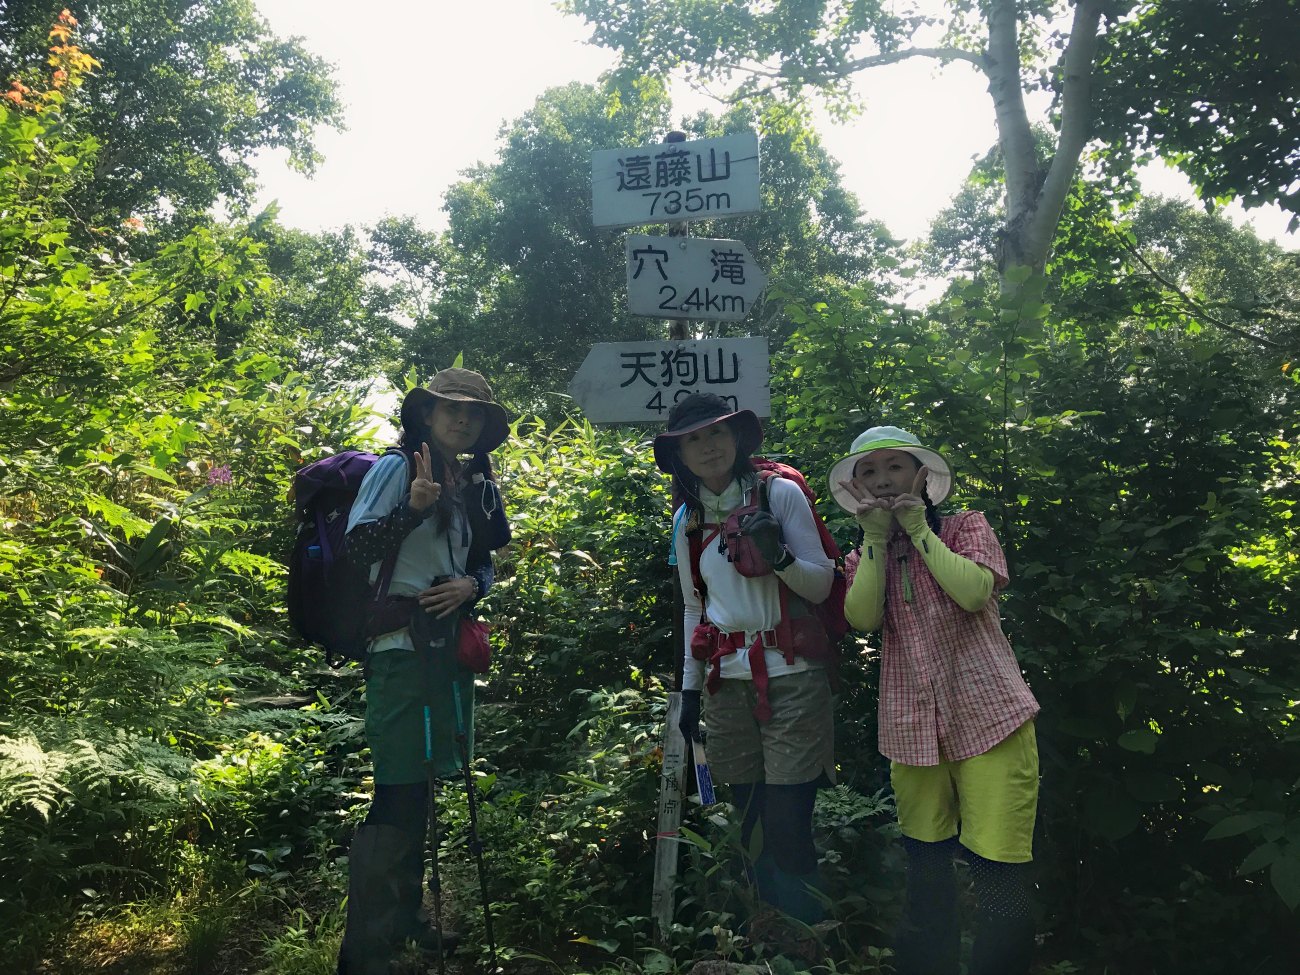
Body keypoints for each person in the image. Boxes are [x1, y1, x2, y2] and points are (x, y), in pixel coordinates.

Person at [829, 425, 1040, 975]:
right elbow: (862, 618)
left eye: (894, 467)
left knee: (999, 867)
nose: (882, 480)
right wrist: (876, 539)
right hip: (910, 726)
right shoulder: (863, 554)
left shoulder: (967, 526)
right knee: (925, 864)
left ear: (922, 475)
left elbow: (974, 592)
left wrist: (919, 526)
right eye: (868, 472)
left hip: (990, 714)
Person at [336, 368, 511, 975]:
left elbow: (484, 565)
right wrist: (411, 512)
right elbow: (356, 549)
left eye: (473, 414)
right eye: (449, 410)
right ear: (427, 415)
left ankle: (406, 920)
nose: (462, 420)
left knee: (425, 783)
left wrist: (471, 584)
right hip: (399, 649)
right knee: (398, 789)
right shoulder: (396, 469)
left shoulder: (472, 478)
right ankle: (366, 951)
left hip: (446, 648)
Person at [654, 392, 836, 924]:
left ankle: (806, 938)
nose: (707, 446)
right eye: (693, 438)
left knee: (787, 822)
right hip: (724, 684)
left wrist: (777, 555)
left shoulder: (779, 493)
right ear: (679, 453)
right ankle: (768, 929)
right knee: (749, 815)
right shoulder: (688, 520)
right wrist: (689, 691)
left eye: (716, 433)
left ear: (736, 439)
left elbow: (822, 585)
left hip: (793, 676)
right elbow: (695, 609)